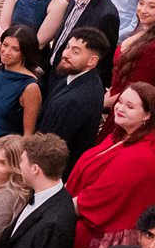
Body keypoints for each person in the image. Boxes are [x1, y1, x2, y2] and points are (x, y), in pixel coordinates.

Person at [64, 80, 155, 248]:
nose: (120, 108)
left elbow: (98, 199)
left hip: (106, 234)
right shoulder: (125, 135)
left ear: (147, 116)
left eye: (130, 106)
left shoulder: (143, 156)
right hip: (85, 213)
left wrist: (54, 204)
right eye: (120, 102)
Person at [38, 29, 112, 165]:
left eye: (75, 52)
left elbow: (53, 147)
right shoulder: (81, 77)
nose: (66, 54)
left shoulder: (76, 100)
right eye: (67, 47)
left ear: (92, 61)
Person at [0, 27, 43, 144]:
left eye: (15, 49)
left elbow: (28, 135)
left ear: (24, 53)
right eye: (5, 45)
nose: (7, 52)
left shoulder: (30, 87)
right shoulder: (0, 68)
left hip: (8, 150)